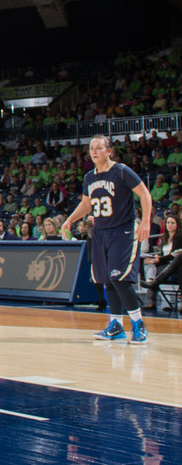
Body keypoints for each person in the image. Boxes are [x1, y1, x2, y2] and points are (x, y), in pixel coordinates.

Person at [60, 135, 153, 343]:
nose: (94, 152)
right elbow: (86, 204)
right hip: (101, 233)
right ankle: (116, 326)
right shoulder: (89, 177)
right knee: (107, 280)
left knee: (119, 277)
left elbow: (145, 195)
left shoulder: (121, 171)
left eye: (99, 148)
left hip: (123, 231)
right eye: (91, 148)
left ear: (109, 151)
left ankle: (138, 324)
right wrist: (70, 220)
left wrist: (146, 221)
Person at [141, 213, 181, 309]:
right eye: (168, 223)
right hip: (165, 266)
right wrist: (154, 259)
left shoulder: (180, 238)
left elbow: (175, 255)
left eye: (172, 223)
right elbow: (164, 255)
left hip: (176, 265)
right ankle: (150, 301)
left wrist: (158, 259)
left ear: (177, 225)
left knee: (178, 264)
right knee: (149, 264)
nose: (169, 225)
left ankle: (154, 282)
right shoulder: (165, 238)